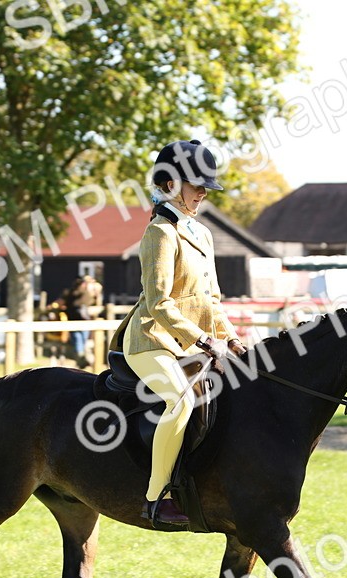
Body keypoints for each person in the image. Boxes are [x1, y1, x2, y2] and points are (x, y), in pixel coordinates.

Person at [113, 139, 245, 525]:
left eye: (206, 185)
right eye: (195, 184)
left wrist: (233, 339)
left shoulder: (201, 234)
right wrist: (205, 340)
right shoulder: (159, 233)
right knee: (182, 401)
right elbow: (159, 304)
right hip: (151, 340)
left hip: (189, 342)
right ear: (170, 183)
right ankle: (155, 498)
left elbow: (212, 300)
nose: (203, 192)